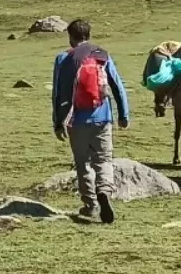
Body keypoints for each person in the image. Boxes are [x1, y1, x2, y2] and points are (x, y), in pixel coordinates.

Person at [52, 19, 129, 224]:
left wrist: (58, 122)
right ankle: (104, 191)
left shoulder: (63, 58)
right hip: (102, 117)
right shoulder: (102, 55)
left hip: (76, 119)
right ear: (89, 34)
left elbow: (58, 93)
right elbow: (117, 85)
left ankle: (91, 204)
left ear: (71, 36)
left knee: (83, 163)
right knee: (103, 159)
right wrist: (123, 114)